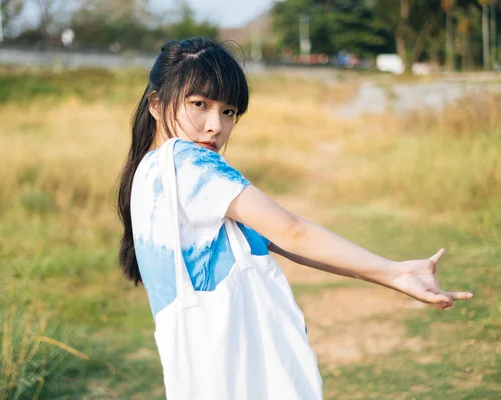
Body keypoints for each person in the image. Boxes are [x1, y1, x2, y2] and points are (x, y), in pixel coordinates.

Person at [116, 37, 473, 399]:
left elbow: (286, 244)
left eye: (228, 112)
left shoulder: (149, 175)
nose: (215, 126)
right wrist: (396, 272)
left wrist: (394, 276)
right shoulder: (188, 162)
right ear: (157, 105)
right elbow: (293, 232)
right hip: (238, 372)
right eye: (199, 104)